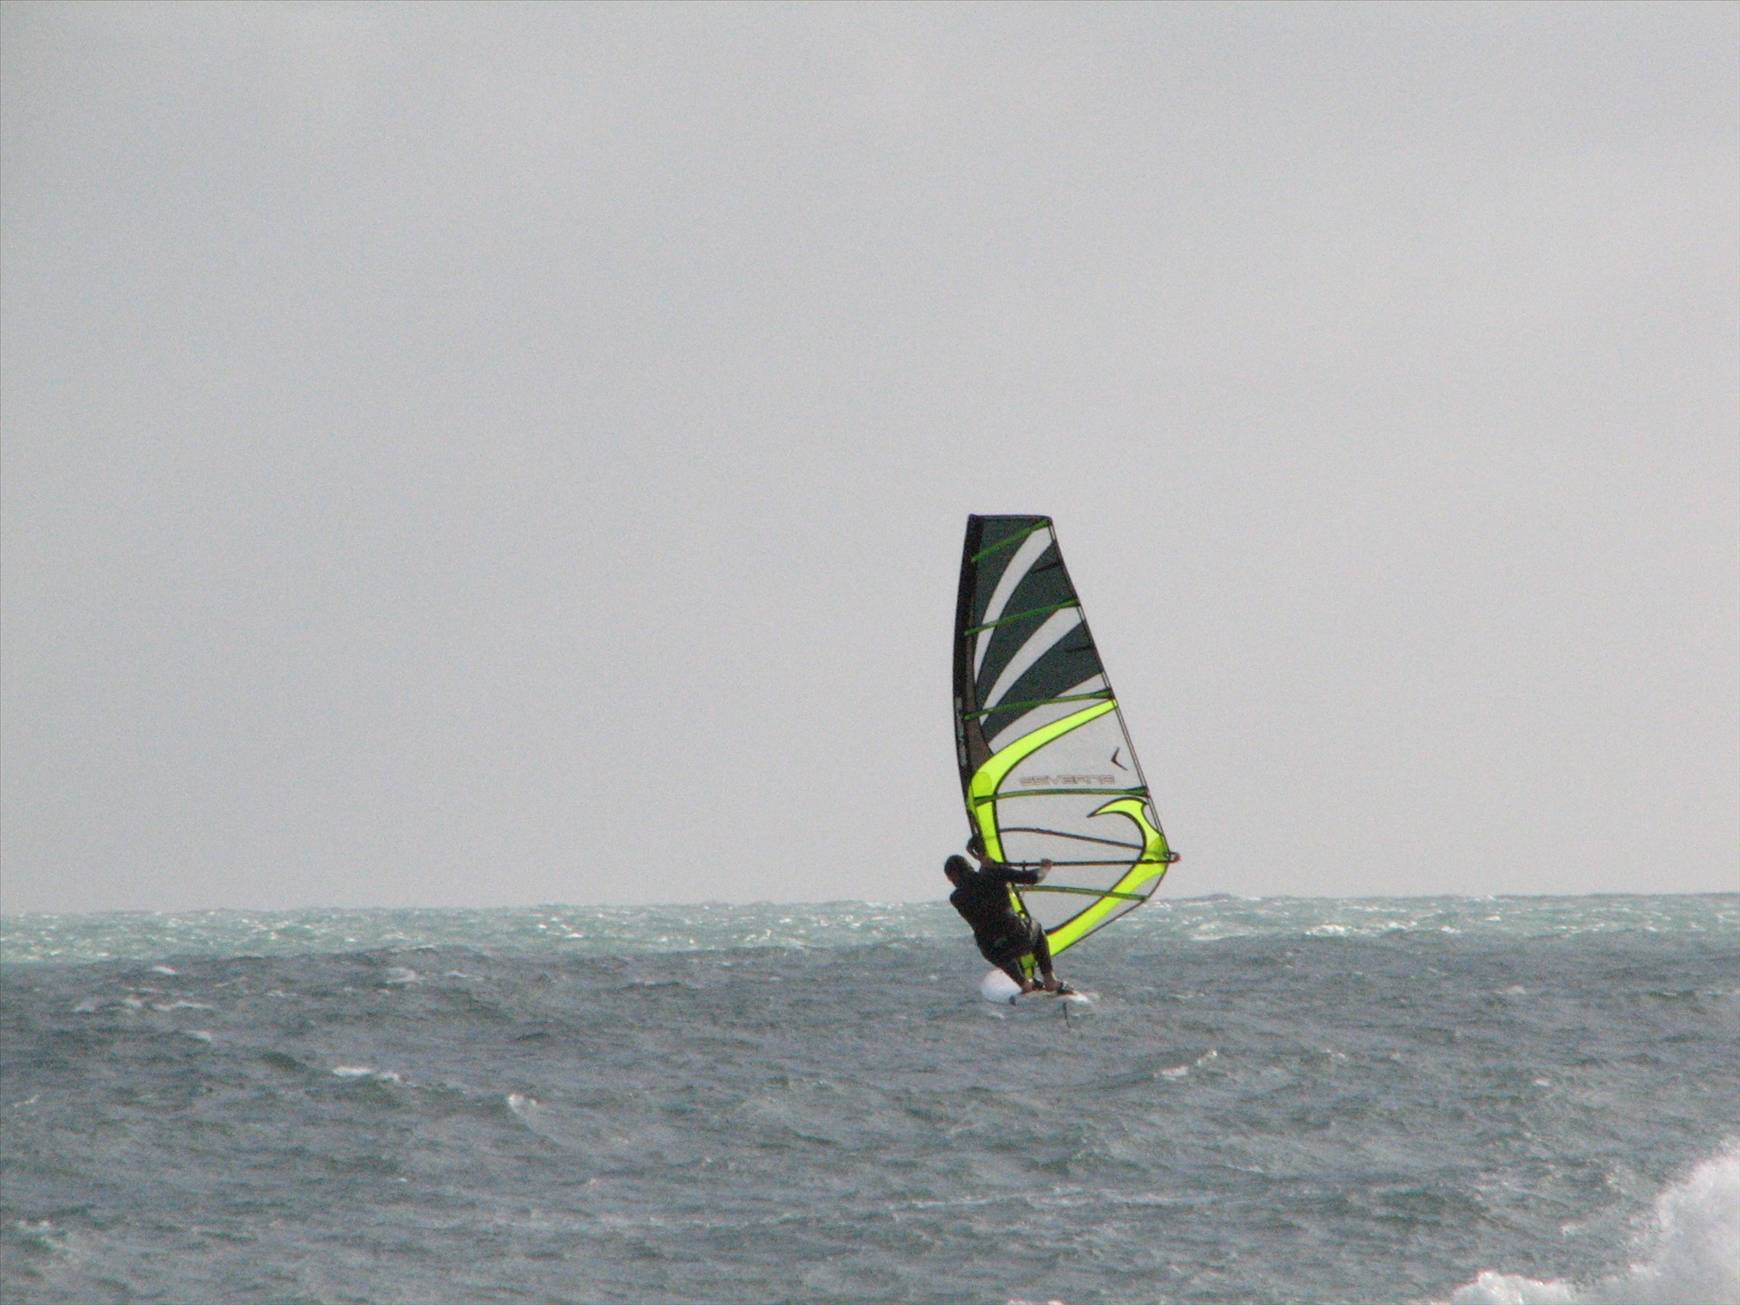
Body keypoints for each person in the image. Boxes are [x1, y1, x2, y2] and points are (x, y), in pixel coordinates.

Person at [944, 836, 1070, 994]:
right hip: (1018, 938)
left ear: (951, 877)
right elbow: (1032, 878)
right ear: (970, 867)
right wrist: (1045, 868)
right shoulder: (993, 874)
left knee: (994, 946)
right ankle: (1050, 980)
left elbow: (976, 886)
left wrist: (986, 864)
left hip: (994, 951)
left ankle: (1024, 983)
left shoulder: (956, 898)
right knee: (1035, 926)